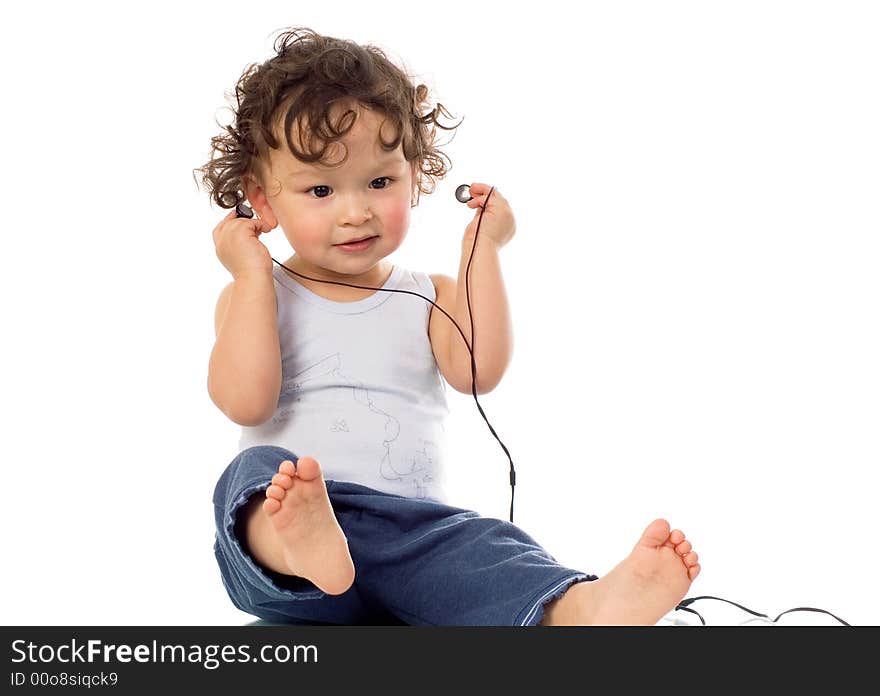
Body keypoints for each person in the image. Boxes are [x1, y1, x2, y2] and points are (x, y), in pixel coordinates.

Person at [194, 26, 701, 626]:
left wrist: (481, 249)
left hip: (412, 540)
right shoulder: (259, 296)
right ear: (263, 199)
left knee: (481, 541)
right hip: (297, 541)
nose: (356, 210)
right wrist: (252, 276)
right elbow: (247, 404)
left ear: (415, 174)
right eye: (321, 189)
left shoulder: (425, 295)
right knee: (250, 479)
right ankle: (296, 546)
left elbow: (478, 371)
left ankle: (580, 608)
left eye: (380, 182)